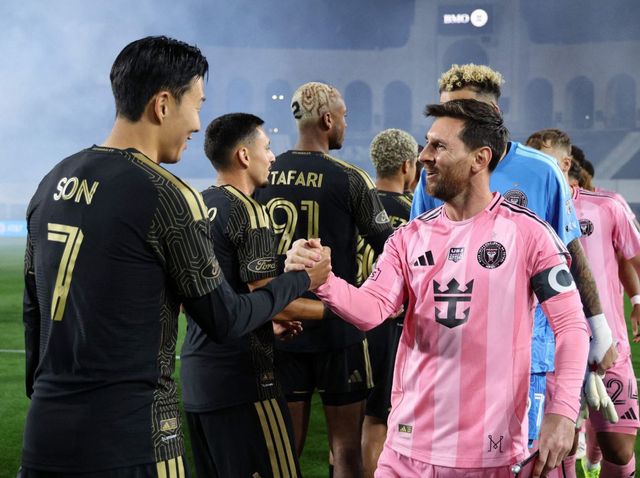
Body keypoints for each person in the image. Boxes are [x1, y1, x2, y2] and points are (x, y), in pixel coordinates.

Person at [20, 37, 329, 477]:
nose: (197, 125)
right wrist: (301, 280)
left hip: (45, 435)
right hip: (134, 438)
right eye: (197, 105)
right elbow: (226, 320)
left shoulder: (53, 180)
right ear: (163, 104)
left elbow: (34, 313)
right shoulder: (166, 194)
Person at [286, 99, 589, 477]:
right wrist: (324, 280)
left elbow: (571, 326)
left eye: (439, 146)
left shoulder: (529, 235)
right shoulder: (408, 237)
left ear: (479, 159)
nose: (424, 155)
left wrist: (562, 411)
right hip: (406, 451)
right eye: (427, 143)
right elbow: (371, 309)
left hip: (488, 457)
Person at [409, 64, 616, 449]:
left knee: (518, 459)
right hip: (452, 351)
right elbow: (417, 256)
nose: (449, 122)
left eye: (461, 111)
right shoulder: (432, 174)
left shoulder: (541, 171)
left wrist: (597, 329)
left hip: (525, 353)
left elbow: (570, 254)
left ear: (493, 114)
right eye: (445, 112)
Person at [255, 81, 393, 477]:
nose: (346, 124)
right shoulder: (350, 178)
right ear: (328, 120)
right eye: (344, 116)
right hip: (339, 330)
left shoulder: (266, 172)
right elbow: (390, 247)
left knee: (283, 454)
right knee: (346, 450)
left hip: (281, 326)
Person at [179, 113, 326, 477]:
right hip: (246, 381)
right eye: (267, 147)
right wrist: (343, 312)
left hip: (198, 380)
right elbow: (273, 300)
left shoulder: (195, 206)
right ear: (244, 156)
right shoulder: (249, 211)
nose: (272, 156)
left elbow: (196, 298)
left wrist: (262, 323)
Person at [526, 129, 640, 478]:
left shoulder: (607, 206)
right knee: (552, 451)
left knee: (619, 450)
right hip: (549, 353)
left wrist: (637, 300)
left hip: (608, 347)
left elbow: (631, 258)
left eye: (545, 160)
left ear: (565, 163)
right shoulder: (522, 213)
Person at [356, 128, 417, 478]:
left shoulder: (355, 204)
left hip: (348, 319)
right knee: (378, 419)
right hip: (387, 328)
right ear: (407, 165)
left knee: (345, 421)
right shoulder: (414, 212)